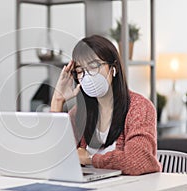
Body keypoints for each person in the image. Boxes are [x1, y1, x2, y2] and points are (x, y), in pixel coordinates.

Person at [50, 35, 161, 175]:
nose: (88, 75)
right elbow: (53, 159)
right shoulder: (77, 113)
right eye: (80, 71)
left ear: (113, 68)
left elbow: (137, 161)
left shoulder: (139, 107)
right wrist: (57, 101)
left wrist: (90, 159)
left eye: (94, 66)